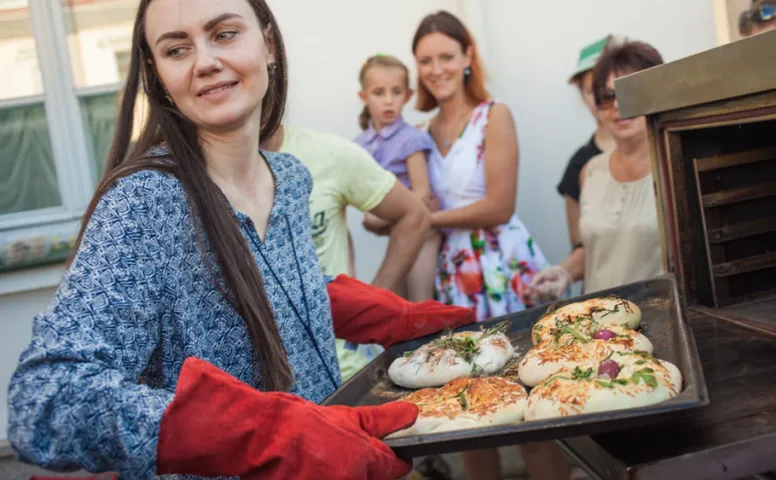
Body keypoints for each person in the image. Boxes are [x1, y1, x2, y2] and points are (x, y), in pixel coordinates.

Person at [5, 1, 477, 479]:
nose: (205, 61)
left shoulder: (290, 178)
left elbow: (253, 284)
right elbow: (46, 399)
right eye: (176, 48)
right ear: (157, 73)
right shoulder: (145, 202)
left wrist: (347, 302)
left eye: (224, 34)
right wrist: (263, 433)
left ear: (268, 43)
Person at [411, 10, 573, 480]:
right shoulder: (419, 135)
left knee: (527, 415)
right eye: (425, 60)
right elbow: (406, 210)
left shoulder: (493, 115)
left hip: (502, 271)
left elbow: (500, 205)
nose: (436, 68)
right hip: (453, 282)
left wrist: (424, 219)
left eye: (445, 56)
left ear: (466, 57)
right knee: (466, 416)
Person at [262, 120, 430, 380]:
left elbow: (413, 215)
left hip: (342, 369)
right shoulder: (196, 171)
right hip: (259, 376)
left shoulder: (329, 154)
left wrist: (373, 303)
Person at [526, 40, 666, 302]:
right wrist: (564, 272)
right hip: (597, 325)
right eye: (607, 96)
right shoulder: (589, 171)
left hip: (662, 320)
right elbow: (592, 248)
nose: (618, 105)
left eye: (630, 91)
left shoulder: (675, 166)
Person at [353, 53, 442, 303]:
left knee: (420, 300)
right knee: (396, 303)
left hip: (423, 233)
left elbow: (422, 192)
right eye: (379, 93)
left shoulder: (411, 139)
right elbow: (363, 202)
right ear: (364, 97)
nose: (388, 101)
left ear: (408, 96)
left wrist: (378, 217)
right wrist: (377, 219)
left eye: (396, 92)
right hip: (396, 233)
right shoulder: (359, 146)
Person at [557, 35, 615, 294]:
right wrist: (561, 273)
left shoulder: (664, 148)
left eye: (612, 88)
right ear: (582, 95)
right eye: (595, 91)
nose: (607, 99)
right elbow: (582, 246)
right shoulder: (579, 166)